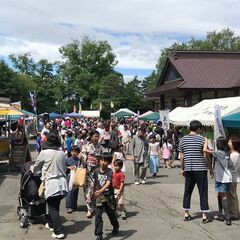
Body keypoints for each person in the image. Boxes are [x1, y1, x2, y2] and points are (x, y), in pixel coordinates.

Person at [32, 132, 68, 239]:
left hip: (52, 183)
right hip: (62, 184)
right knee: (54, 205)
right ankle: (51, 224)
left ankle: (58, 231)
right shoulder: (62, 153)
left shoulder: (44, 152)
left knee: (53, 208)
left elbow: (36, 168)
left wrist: (32, 169)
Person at [178, 120, 213, 223]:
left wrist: (182, 168)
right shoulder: (202, 139)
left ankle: (186, 214)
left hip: (188, 169)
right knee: (203, 192)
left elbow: (181, 157)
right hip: (201, 169)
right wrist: (210, 167)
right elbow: (205, 155)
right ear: (198, 129)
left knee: (187, 192)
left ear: (189, 128)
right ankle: (204, 215)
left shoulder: (183, 139)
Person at [204, 137, 232, 225]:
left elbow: (205, 150)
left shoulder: (218, 153)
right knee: (220, 194)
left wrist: (205, 140)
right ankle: (221, 214)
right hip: (227, 177)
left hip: (222, 178)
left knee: (223, 196)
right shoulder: (226, 153)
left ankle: (227, 217)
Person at [94, 154, 119, 240]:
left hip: (108, 196)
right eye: (102, 160)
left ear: (108, 162)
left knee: (111, 213)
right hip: (99, 197)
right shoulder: (96, 171)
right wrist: (92, 192)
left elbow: (108, 184)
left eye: (106, 161)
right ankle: (98, 234)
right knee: (98, 215)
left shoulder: (110, 172)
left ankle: (115, 226)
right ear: (99, 160)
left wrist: (100, 191)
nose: (103, 162)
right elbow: (94, 182)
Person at [81, 130, 102, 218]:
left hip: (97, 170)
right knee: (88, 190)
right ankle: (89, 208)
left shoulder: (100, 147)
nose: (97, 138)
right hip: (88, 171)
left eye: (98, 136)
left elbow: (101, 158)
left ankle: (96, 206)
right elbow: (83, 158)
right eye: (95, 136)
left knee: (96, 188)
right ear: (91, 137)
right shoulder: (86, 146)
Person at [65, 145, 84, 214]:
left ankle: (74, 205)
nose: (73, 153)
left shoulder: (79, 160)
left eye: (75, 152)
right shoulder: (68, 159)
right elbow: (64, 166)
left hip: (77, 177)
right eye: (72, 151)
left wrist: (81, 159)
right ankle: (69, 206)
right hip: (69, 177)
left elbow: (83, 166)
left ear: (78, 152)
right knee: (70, 192)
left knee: (75, 191)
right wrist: (68, 167)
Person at [227, 137, 240, 220]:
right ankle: (235, 211)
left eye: (230, 142)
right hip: (234, 177)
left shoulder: (234, 155)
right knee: (233, 195)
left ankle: (234, 214)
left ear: (233, 144)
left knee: (232, 196)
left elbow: (228, 165)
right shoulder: (235, 154)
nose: (228, 143)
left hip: (232, 177)